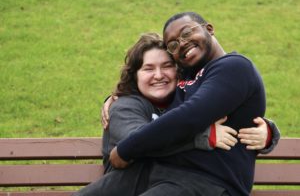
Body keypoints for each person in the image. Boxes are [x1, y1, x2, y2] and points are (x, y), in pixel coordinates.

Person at [73, 33, 277, 196]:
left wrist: (268, 132)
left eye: (167, 66)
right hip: (129, 183)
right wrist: (204, 137)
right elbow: (140, 142)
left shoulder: (182, 101)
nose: (159, 75)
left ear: (179, 72)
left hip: (172, 183)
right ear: (134, 75)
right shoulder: (125, 105)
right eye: (148, 69)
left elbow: (222, 108)